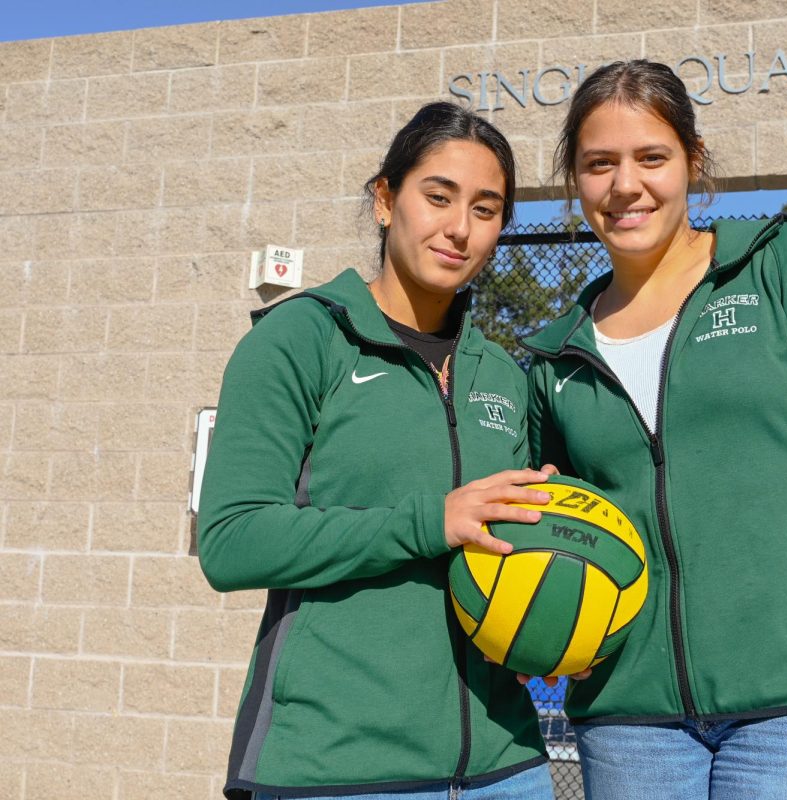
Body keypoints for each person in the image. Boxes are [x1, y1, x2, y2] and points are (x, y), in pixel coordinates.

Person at [523, 61, 787, 800]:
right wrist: (548, 621)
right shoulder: (556, 358)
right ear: (574, 181)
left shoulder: (783, 270)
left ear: (694, 160)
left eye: (652, 157)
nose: (626, 185)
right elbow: (549, 527)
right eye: (599, 164)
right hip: (628, 722)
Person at [197, 102, 556, 800]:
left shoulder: (504, 376)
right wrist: (427, 522)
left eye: (486, 210)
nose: (459, 228)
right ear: (387, 200)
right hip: (338, 770)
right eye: (438, 197)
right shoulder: (300, 340)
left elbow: (512, 547)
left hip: (507, 769)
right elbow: (231, 540)